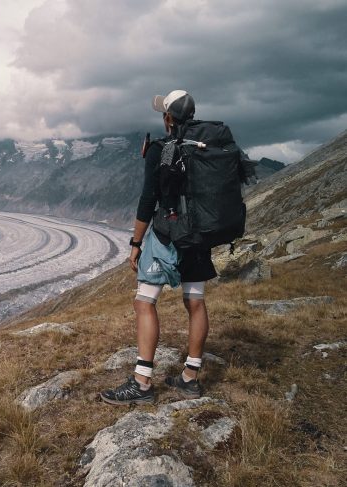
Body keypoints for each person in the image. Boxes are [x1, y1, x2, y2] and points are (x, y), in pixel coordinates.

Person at [101, 90, 219, 405]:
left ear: (167, 118)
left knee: (144, 302)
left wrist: (136, 243)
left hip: (168, 234)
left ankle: (141, 383)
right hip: (199, 235)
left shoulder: (160, 148)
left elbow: (147, 198)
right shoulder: (208, 147)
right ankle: (190, 378)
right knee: (195, 301)